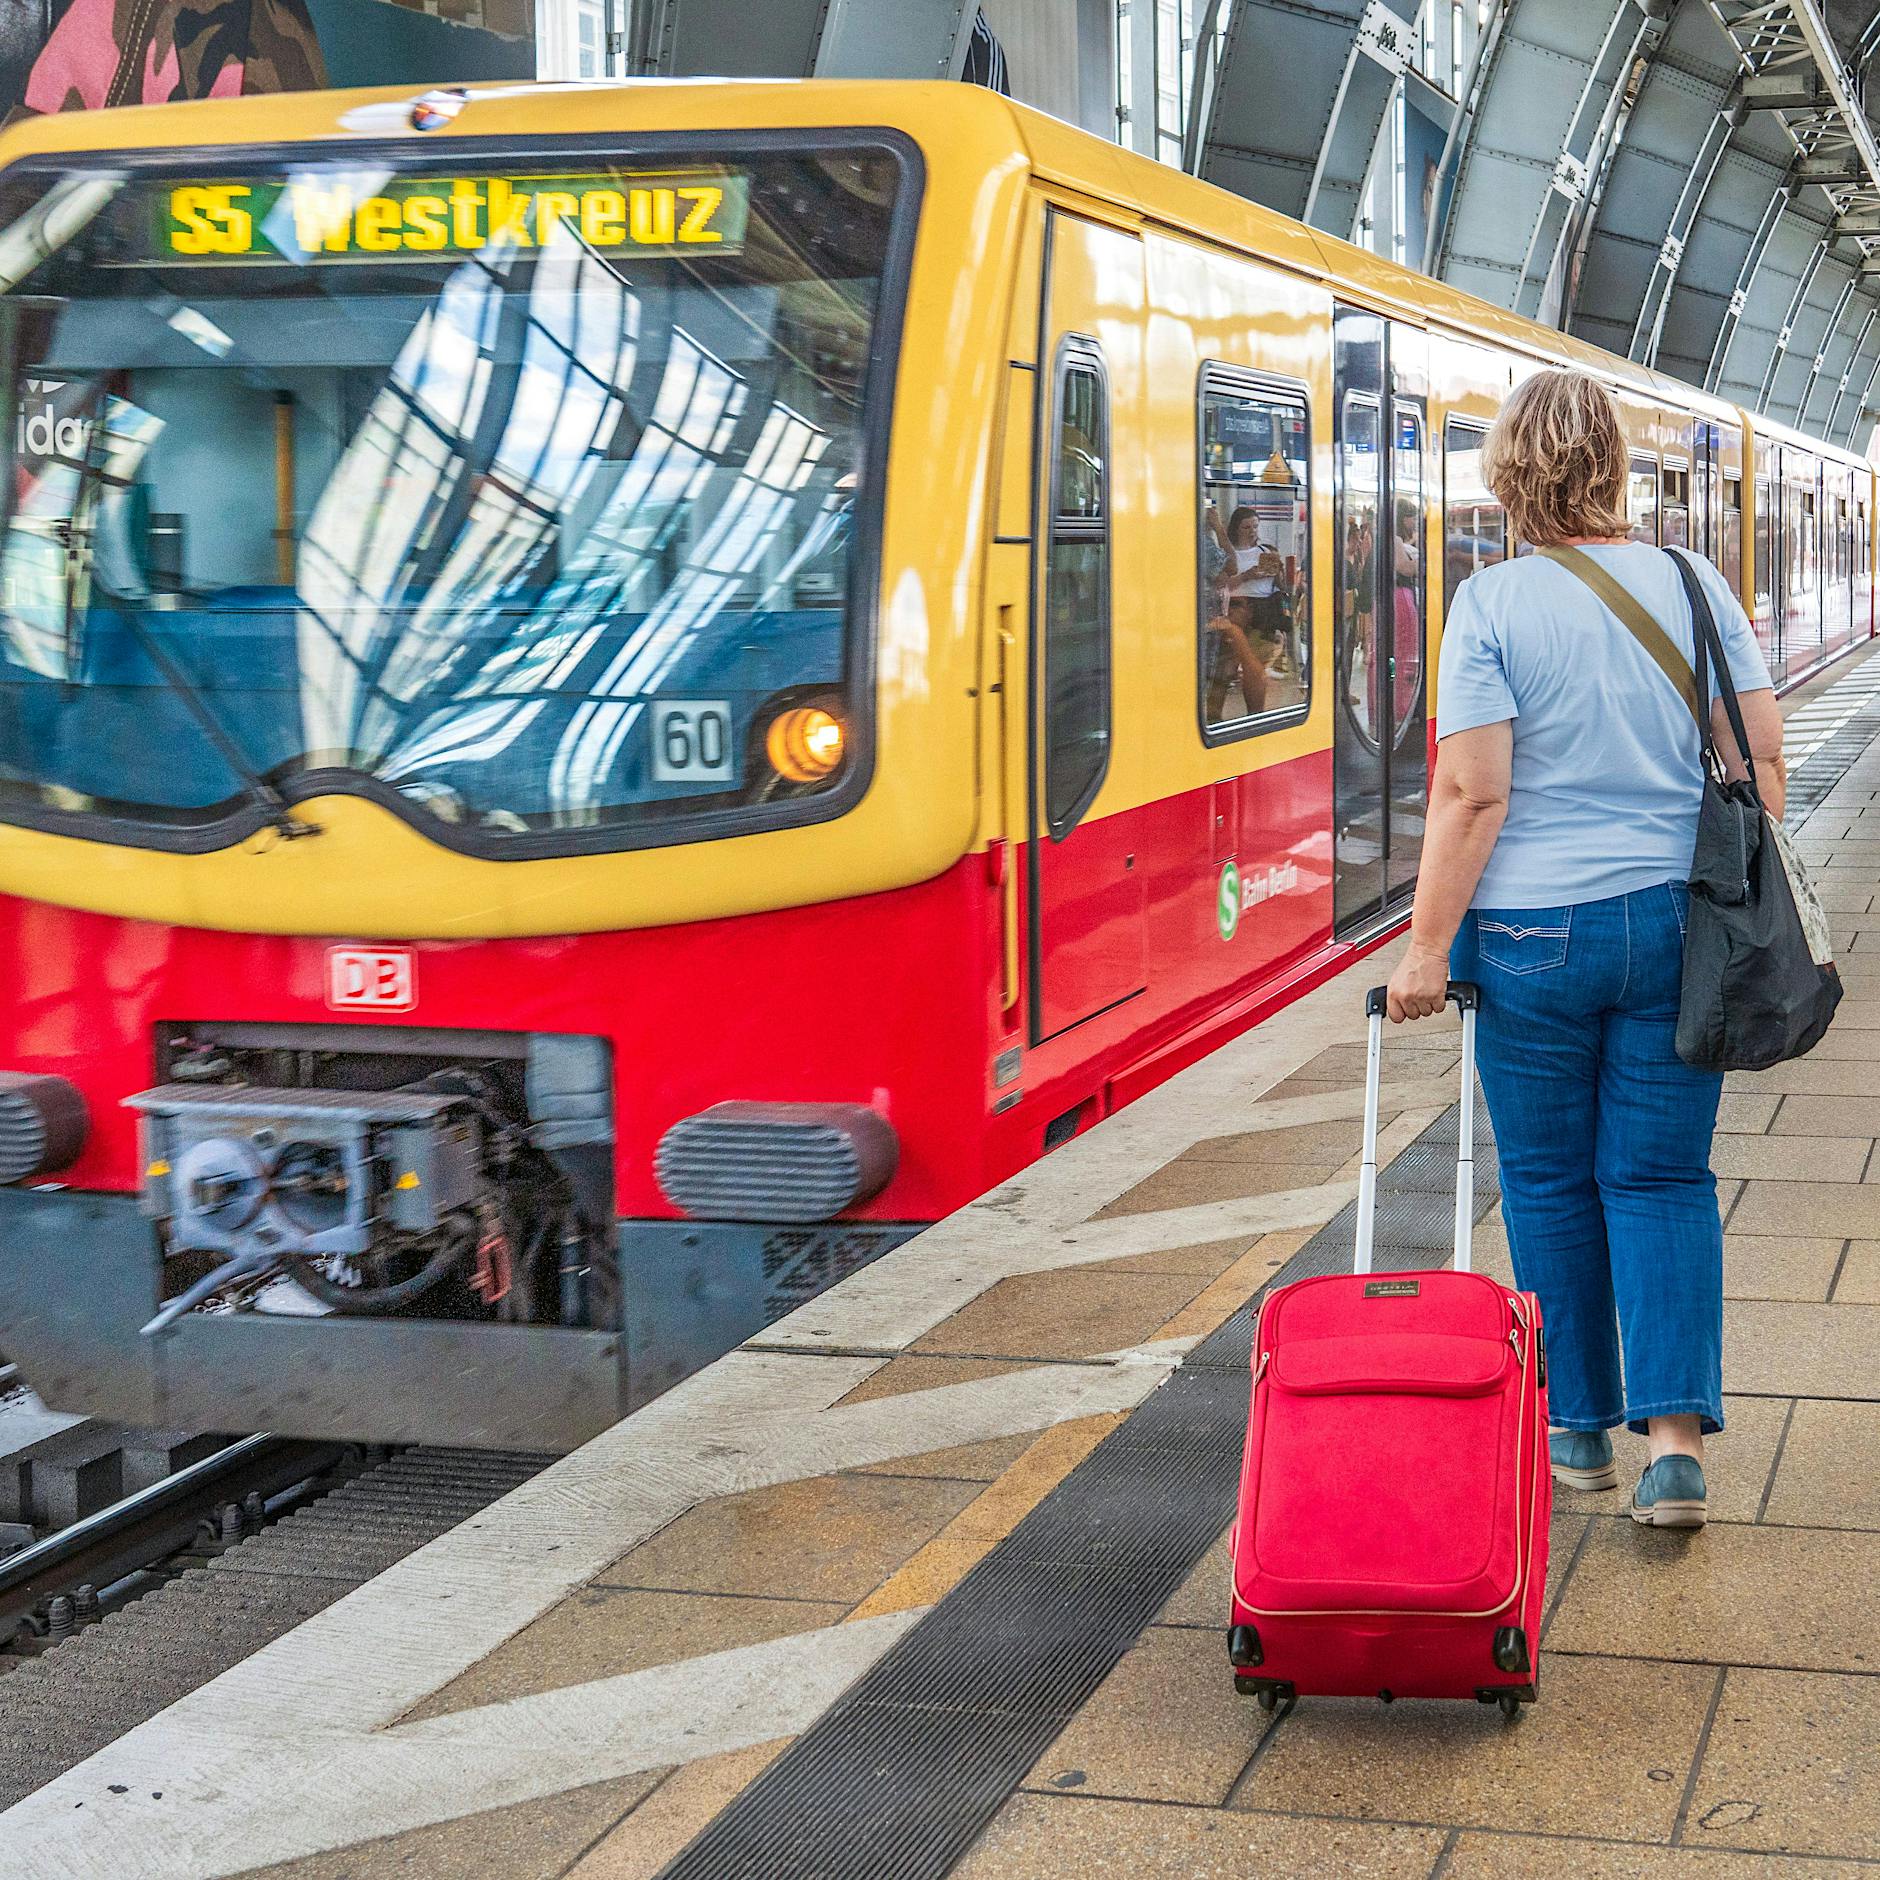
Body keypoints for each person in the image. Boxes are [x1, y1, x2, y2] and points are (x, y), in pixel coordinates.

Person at [1383, 368, 1784, 1532]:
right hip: (1675, 923)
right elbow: (1759, 761)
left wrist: (1422, 951)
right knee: (1658, 1176)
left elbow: (1470, 794)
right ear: (1615, 467)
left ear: (1507, 475)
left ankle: (1573, 1427)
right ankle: (1670, 1447)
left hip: (1530, 940)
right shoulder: (1693, 582)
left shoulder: (1491, 603)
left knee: (1550, 1181)